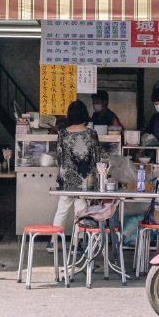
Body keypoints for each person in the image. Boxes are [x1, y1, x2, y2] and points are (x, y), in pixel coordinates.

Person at [50, 100, 101, 252]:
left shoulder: (63, 134)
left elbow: (59, 157)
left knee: (62, 210)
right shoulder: (91, 134)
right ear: (85, 115)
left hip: (67, 179)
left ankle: (53, 242)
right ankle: (76, 244)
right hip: (86, 179)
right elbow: (97, 158)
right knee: (81, 211)